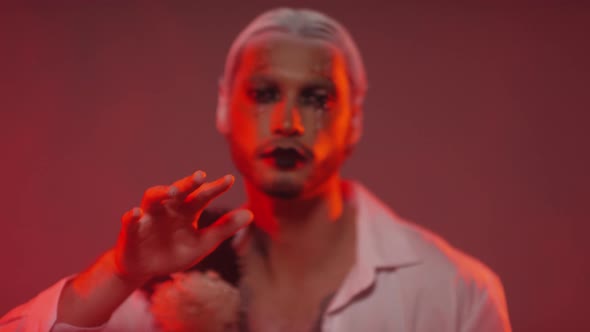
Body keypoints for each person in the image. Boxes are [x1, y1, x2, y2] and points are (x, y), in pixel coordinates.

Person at [0, 7, 512, 332]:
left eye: (316, 98)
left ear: (354, 121)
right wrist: (120, 271)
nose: (288, 123)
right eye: (265, 94)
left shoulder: (457, 293)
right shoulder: (177, 280)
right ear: (225, 110)